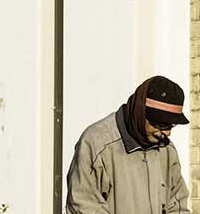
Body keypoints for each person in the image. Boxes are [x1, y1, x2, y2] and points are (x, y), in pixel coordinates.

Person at [66, 75, 191, 214]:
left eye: (172, 125)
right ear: (140, 112)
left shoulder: (167, 150)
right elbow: (84, 205)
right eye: (161, 124)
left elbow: (178, 205)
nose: (167, 133)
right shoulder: (96, 143)